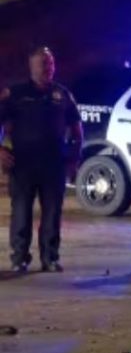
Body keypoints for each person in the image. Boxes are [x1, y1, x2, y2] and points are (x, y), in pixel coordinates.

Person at [0, 47, 82, 272]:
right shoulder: (15, 93)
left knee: (53, 213)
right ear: (31, 66)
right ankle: (19, 259)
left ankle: (50, 257)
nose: (48, 68)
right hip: (23, 164)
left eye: (51, 63)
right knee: (22, 212)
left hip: (53, 164)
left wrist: (75, 158)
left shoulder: (62, 95)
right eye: (43, 64)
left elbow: (76, 127)